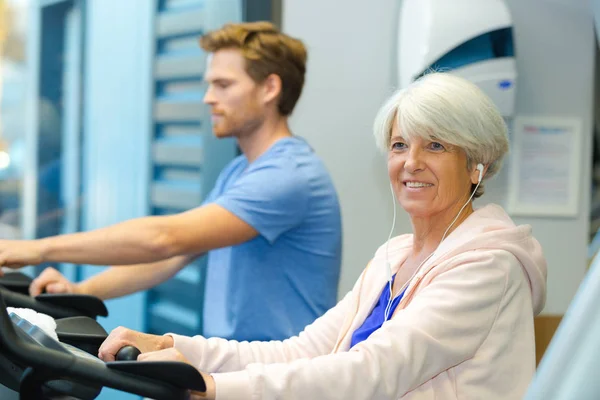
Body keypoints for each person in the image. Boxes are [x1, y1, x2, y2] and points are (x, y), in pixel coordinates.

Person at [95, 72, 547, 400]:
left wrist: (216, 388)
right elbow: (305, 350)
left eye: (435, 145)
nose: (411, 162)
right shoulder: (394, 257)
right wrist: (176, 346)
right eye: (399, 145)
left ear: (476, 165)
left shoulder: (488, 267)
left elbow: (376, 370)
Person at [0, 21, 343, 342]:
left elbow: (164, 239)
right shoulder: (241, 173)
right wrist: (82, 292)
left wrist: (38, 248)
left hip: (282, 379)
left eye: (223, 85)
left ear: (270, 87)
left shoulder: (288, 175)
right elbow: (172, 256)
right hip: (242, 371)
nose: (208, 97)